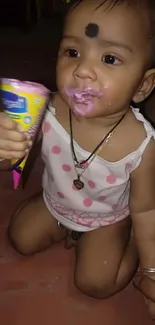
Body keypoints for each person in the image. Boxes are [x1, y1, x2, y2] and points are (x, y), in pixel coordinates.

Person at [1, 0, 155, 318]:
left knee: (96, 283)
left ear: (142, 85)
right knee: (20, 238)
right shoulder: (45, 110)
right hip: (56, 203)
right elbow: (10, 163)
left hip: (107, 219)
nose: (82, 69)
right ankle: (66, 227)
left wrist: (151, 268)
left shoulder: (142, 144)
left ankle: (129, 247)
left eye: (109, 58)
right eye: (72, 52)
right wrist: (5, 146)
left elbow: (147, 209)